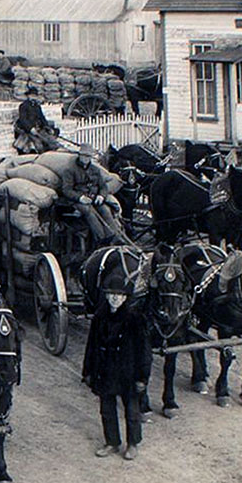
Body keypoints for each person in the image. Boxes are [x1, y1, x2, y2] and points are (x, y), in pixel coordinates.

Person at [82, 287, 150, 460]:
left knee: (132, 410)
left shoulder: (135, 319)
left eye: (118, 295)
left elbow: (144, 351)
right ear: (106, 296)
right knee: (107, 409)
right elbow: (91, 345)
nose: (114, 298)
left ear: (125, 298)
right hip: (105, 370)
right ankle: (112, 442)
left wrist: (142, 377)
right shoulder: (100, 317)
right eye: (111, 294)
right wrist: (88, 370)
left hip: (128, 372)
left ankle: (132, 444)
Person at [66, 144, 129, 247]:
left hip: (94, 198)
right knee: (89, 211)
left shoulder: (95, 170)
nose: (86, 159)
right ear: (79, 156)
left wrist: (101, 196)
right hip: (77, 201)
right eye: (84, 156)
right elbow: (67, 190)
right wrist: (80, 198)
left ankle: (115, 237)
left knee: (105, 210)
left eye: (88, 156)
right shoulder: (70, 170)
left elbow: (103, 187)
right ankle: (101, 239)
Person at [14, 86, 60, 153]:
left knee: (51, 140)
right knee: (38, 143)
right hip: (27, 129)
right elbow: (23, 119)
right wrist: (30, 128)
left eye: (35, 96)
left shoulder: (37, 106)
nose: (33, 97)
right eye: (32, 95)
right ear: (28, 96)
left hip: (38, 128)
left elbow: (42, 118)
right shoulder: (23, 106)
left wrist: (48, 127)